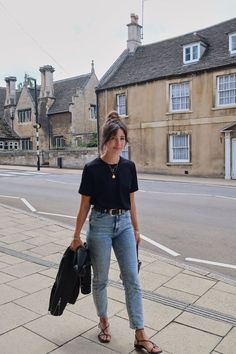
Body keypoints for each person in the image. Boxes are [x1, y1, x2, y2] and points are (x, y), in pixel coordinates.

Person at [70, 111, 162, 354]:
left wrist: (136, 228)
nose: (119, 143)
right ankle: (103, 321)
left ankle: (140, 333)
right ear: (105, 140)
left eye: (122, 138)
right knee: (100, 279)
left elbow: (131, 202)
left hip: (123, 226)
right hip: (99, 225)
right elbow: (84, 205)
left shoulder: (129, 167)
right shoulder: (92, 169)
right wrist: (76, 235)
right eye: (114, 138)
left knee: (132, 277)